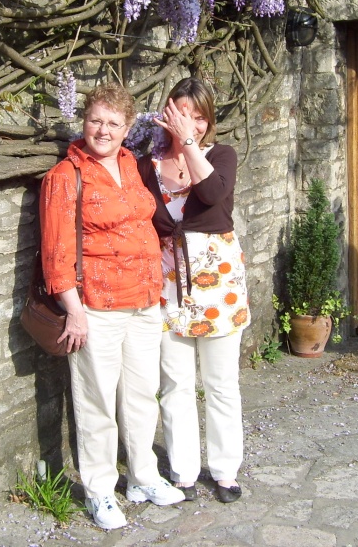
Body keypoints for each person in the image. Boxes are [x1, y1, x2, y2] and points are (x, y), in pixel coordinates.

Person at [39, 82, 185, 530]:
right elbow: (56, 253)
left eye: (114, 123)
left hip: (143, 300)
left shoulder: (130, 164)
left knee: (142, 395)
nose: (103, 130)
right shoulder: (66, 176)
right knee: (96, 400)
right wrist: (73, 309)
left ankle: (142, 476)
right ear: (84, 122)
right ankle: (100, 490)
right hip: (97, 305)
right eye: (96, 120)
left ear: (126, 128)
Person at [137, 77, 250, 503]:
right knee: (176, 383)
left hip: (218, 283)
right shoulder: (147, 166)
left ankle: (224, 472)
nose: (191, 123)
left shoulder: (220, 156)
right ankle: (183, 471)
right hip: (168, 283)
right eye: (182, 113)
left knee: (221, 383)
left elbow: (212, 192)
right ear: (166, 114)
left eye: (199, 115)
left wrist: (187, 142)